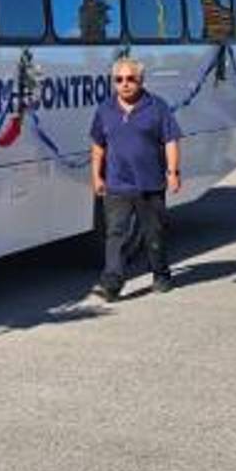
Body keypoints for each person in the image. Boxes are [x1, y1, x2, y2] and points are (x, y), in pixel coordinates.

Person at [90, 56, 181, 301]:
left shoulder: (157, 107)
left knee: (154, 234)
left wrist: (173, 172)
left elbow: (171, 141)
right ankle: (112, 284)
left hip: (150, 183)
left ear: (141, 80)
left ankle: (161, 274)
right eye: (118, 79)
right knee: (115, 234)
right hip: (117, 184)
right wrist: (96, 176)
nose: (124, 84)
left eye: (130, 79)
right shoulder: (105, 109)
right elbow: (98, 145)